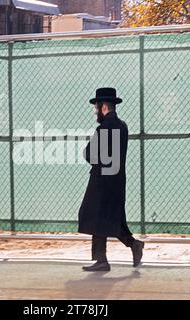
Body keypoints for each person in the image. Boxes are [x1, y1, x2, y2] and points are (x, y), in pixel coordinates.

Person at [78, 87, 144, 272]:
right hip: (117, 181)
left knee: (94, 217)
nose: (95, 111)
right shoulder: (122, 126)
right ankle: (132, 245)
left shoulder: (104, 128)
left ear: (103, 107)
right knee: (110, 219)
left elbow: (89, 154)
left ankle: (102, 260)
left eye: (96, 107)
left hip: (101, 182)